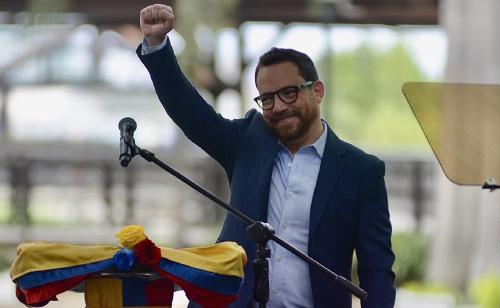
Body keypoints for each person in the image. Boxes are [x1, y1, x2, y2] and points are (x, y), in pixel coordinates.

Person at [137, 4, 395, 308]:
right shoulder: (247, 141)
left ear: (318, 91)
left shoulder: (361, 170)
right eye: (267, 98)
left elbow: (376, 269)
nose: (279, 106)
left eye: (290, 93)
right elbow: (189, 111)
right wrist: (157, 46)